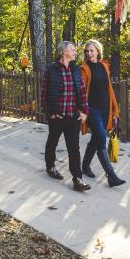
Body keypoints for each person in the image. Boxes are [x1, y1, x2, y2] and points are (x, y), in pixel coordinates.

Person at [40, 41, 91, 192]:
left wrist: (84, 112)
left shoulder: (76, 70)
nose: (76, 52)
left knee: (74, 148)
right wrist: (50, 113)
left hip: (73, 116)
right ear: (64, 52)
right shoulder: (51, 70)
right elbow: (44, 94)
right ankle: (50, 166)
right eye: (73, 50)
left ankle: (77, 179)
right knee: (52, 142)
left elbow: (81, 92)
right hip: (57, 116)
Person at [79, 40, 125, 187]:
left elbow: (109, 89)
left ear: (98, 51)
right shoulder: (83, 69)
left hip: (105, 108)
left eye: (92, 50)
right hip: (92, 110)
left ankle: (85, 166)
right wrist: (82, 110)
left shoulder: (104, 66)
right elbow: (81, 92)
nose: (89, 53)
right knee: (100, 139)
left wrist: (114, 109)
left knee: (96, 139)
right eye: (87, 51)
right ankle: (111, 175)